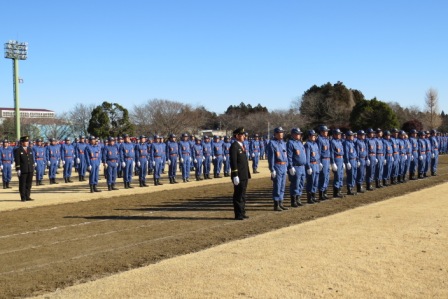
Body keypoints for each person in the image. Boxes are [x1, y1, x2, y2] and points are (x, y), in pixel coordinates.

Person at [230, 127, 251, 220]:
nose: (244, 136)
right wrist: (235, 175)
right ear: (237, 136)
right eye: (242, 135)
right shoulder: (234, 146)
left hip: (244, 174)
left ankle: (242, 212)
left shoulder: (241, 145)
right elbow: (233, 162)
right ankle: (238, 214)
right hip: (239, 175)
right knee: (238, 195)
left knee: (243, 194)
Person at [267, 127, 289, 211]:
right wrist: (272, 169)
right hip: (277, 166)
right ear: (275, 134)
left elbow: (285, 156)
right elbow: (271, 158)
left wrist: (286, 166)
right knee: (277, 185)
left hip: (283, 166)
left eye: (282, 132)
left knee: (282, 186)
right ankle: (276, 204)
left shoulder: (283, 143)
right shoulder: (272, 143)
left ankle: (281, 202)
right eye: (279, 133)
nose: (281, 134)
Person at [286, 128, 306, 207]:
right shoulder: (290, 143)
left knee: (301, 183)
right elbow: (289, 156)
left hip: (302, 166)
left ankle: (298, 198)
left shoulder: (300, 143)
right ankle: (293, 200)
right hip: (296, 166)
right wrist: (290, 166)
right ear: (293, 134)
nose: (299, 135)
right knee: (295, 184)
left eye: (300, 134)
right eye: (297, 134)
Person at [14, 136, 35, 201]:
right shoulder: (18, 150)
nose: (27, 143)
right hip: (23, 170)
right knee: (22, 184)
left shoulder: (30, 149)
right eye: (25, 141)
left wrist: (33, 166)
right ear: (22, 142)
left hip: (30, 169)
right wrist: (18, 169)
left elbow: (31, 159)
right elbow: (17, 160)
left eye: (27, 141)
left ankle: (27, 196)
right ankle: (23, 197)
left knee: (29, 184)